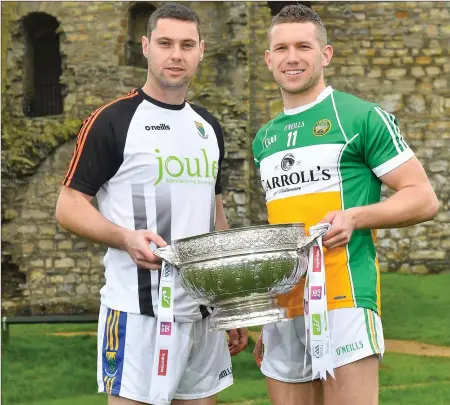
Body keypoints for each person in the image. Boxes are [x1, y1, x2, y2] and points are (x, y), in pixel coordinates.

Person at [55, 4, 247, 405]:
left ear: (201, 50)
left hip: (202, 314)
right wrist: (124, 238)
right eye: (165, 43)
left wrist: (230, 305)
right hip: (137, 314)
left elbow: (217, 219)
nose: (175, 54)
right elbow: (69, 206)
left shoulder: (208, 127)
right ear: (145, 47)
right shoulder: (113, 120)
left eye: (186, 45)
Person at [251, 5, 439, 405]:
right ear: (269, 59)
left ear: (326, 54)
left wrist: (356, 216)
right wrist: (265, 313)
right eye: (281, 48)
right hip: (284, 307)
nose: (292, 57)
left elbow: (423, 197)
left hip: (345, 299)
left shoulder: (361, 117)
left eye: (304, 46)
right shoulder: (263, 139)